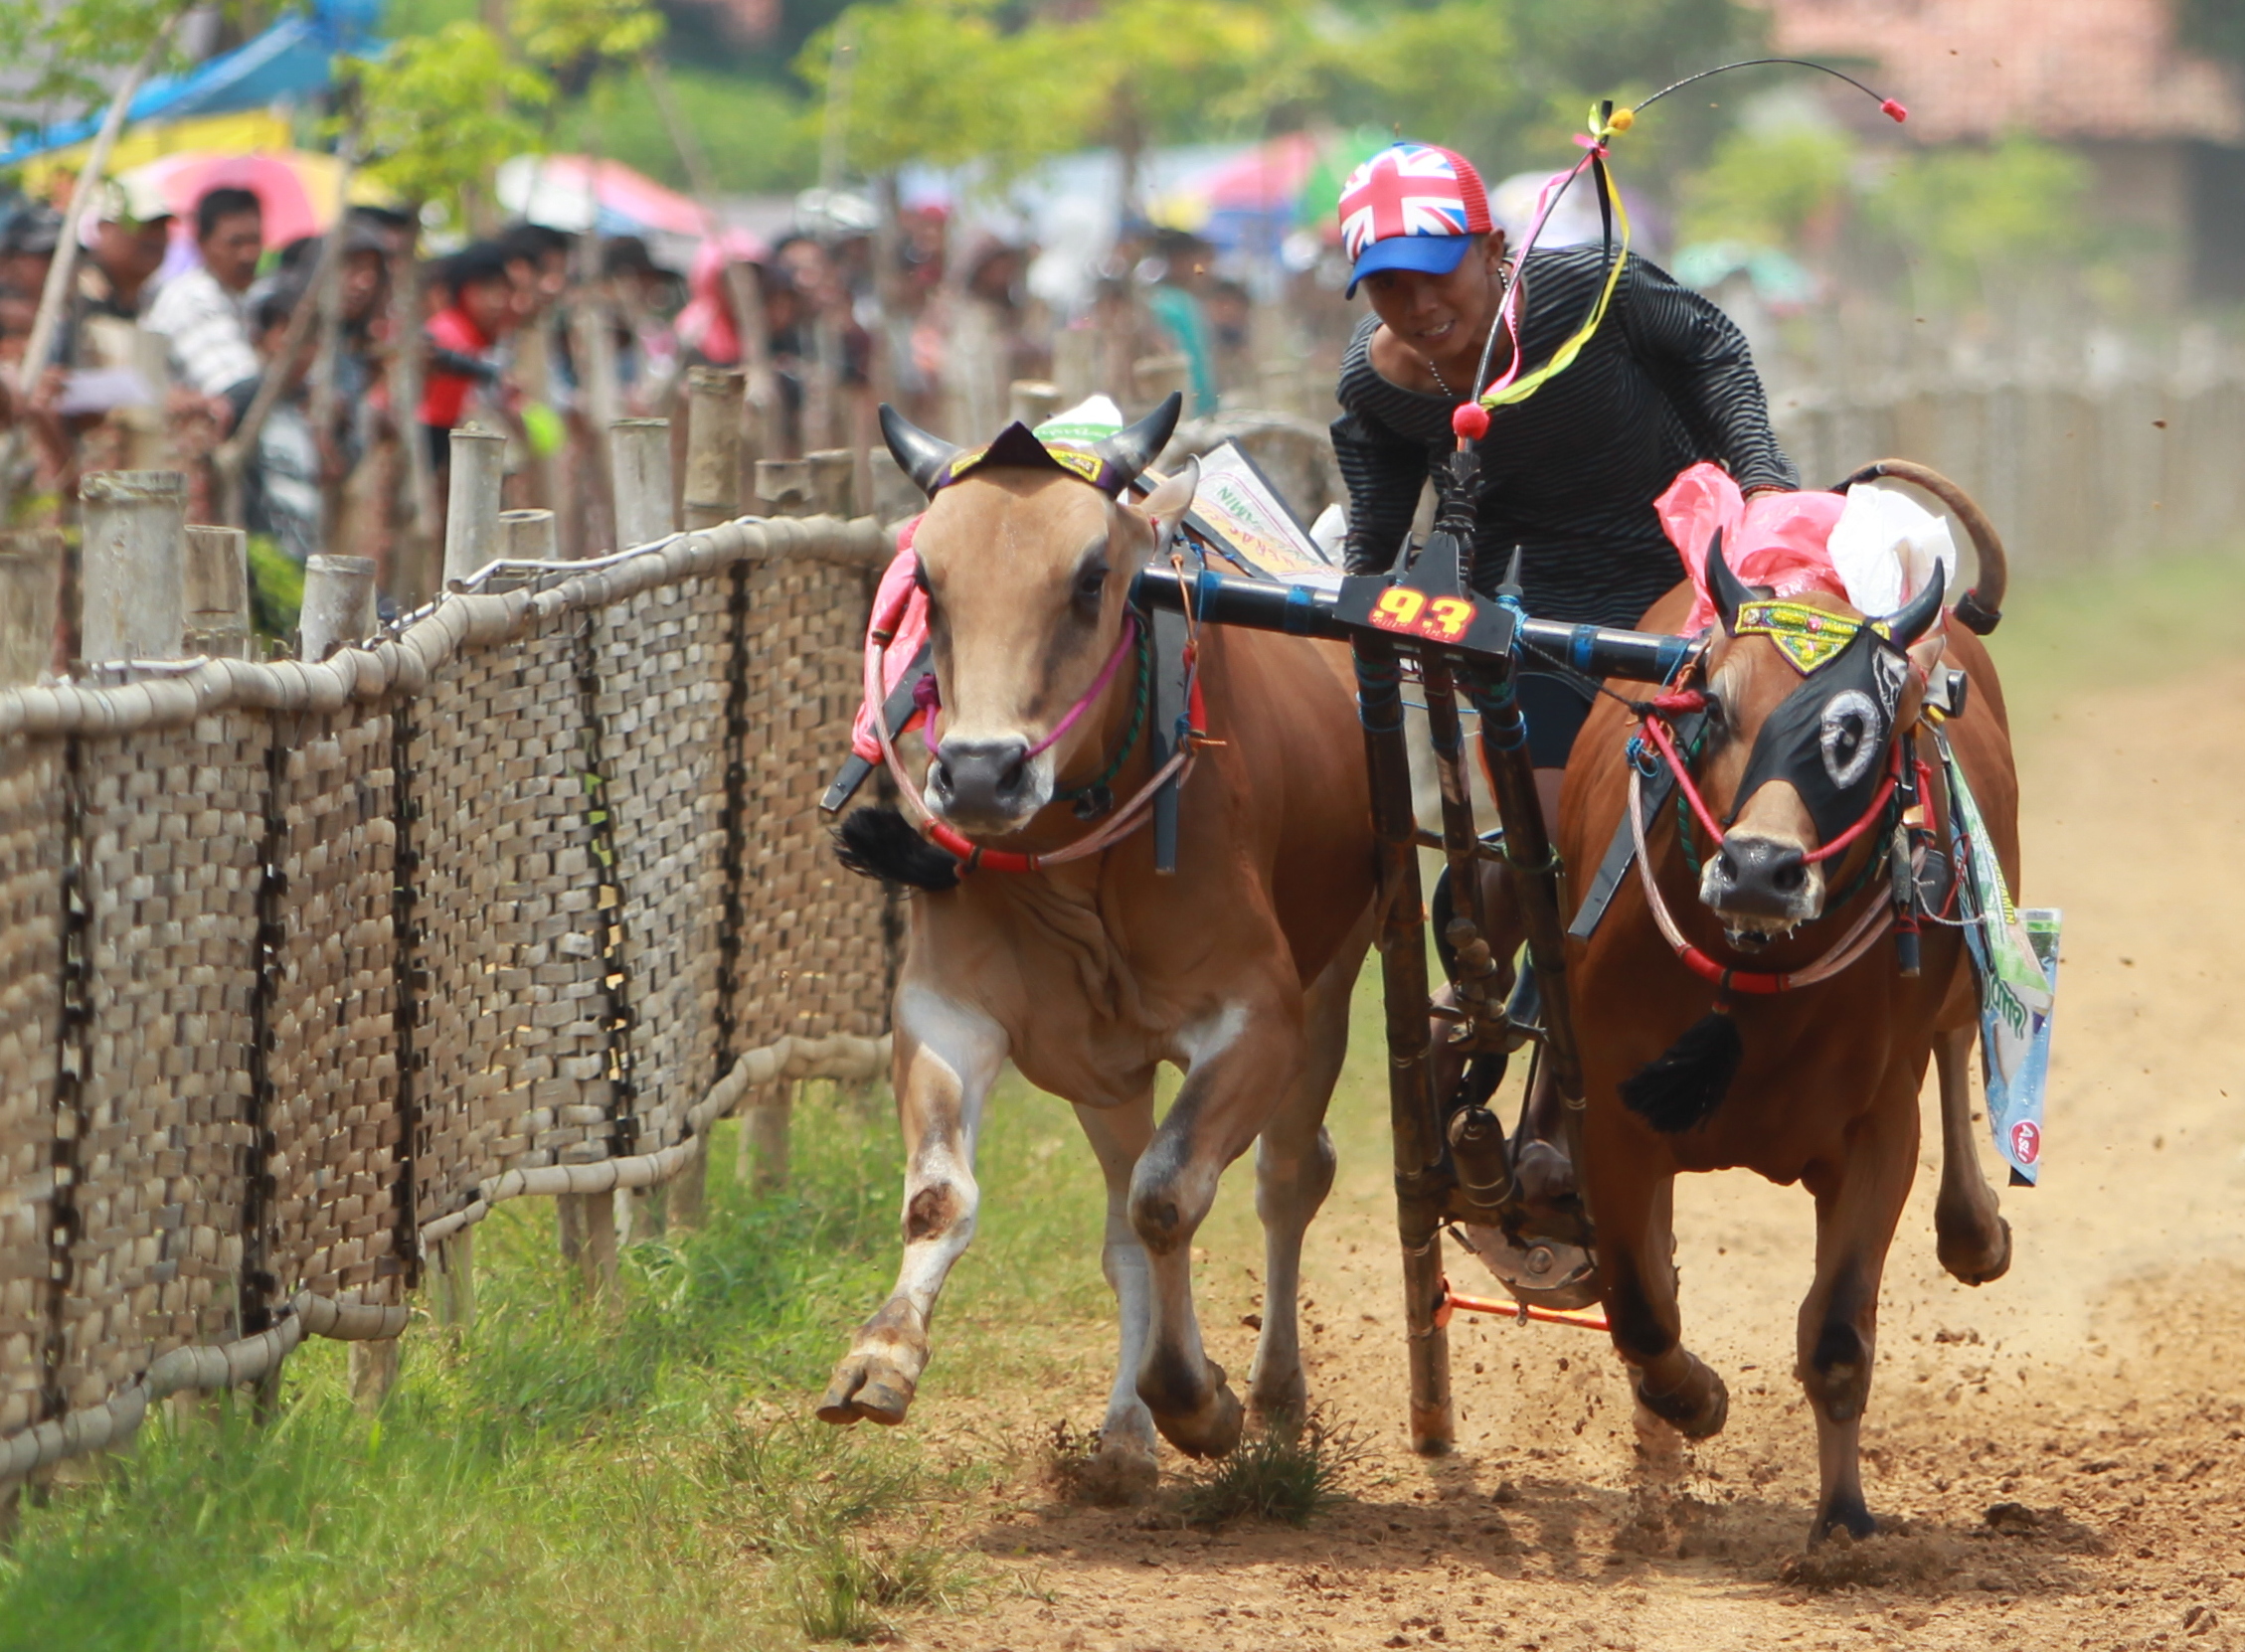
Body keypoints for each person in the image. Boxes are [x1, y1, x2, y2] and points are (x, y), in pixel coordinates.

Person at [1329, 140, 1797, 1250]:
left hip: (1687, 582)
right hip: (1538, 620)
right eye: (1384, 283)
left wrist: (1765, 491)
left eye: (1433, 271)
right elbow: (1376, 516)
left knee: (1666, 829)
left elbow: (1715, 351)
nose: (1413, 302)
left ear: (1491, 251)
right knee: (1540, 851)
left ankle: (1571, 1105)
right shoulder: (1378, 383)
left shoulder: (1589, 294)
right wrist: (1363, 593)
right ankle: (1482, 1043)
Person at [145, 185, 265, 406]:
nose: (249, 255)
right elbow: (236, 389)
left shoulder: (243, 297)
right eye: (235, 243)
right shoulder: (193, 297)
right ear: (202, 243)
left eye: (255, 241)